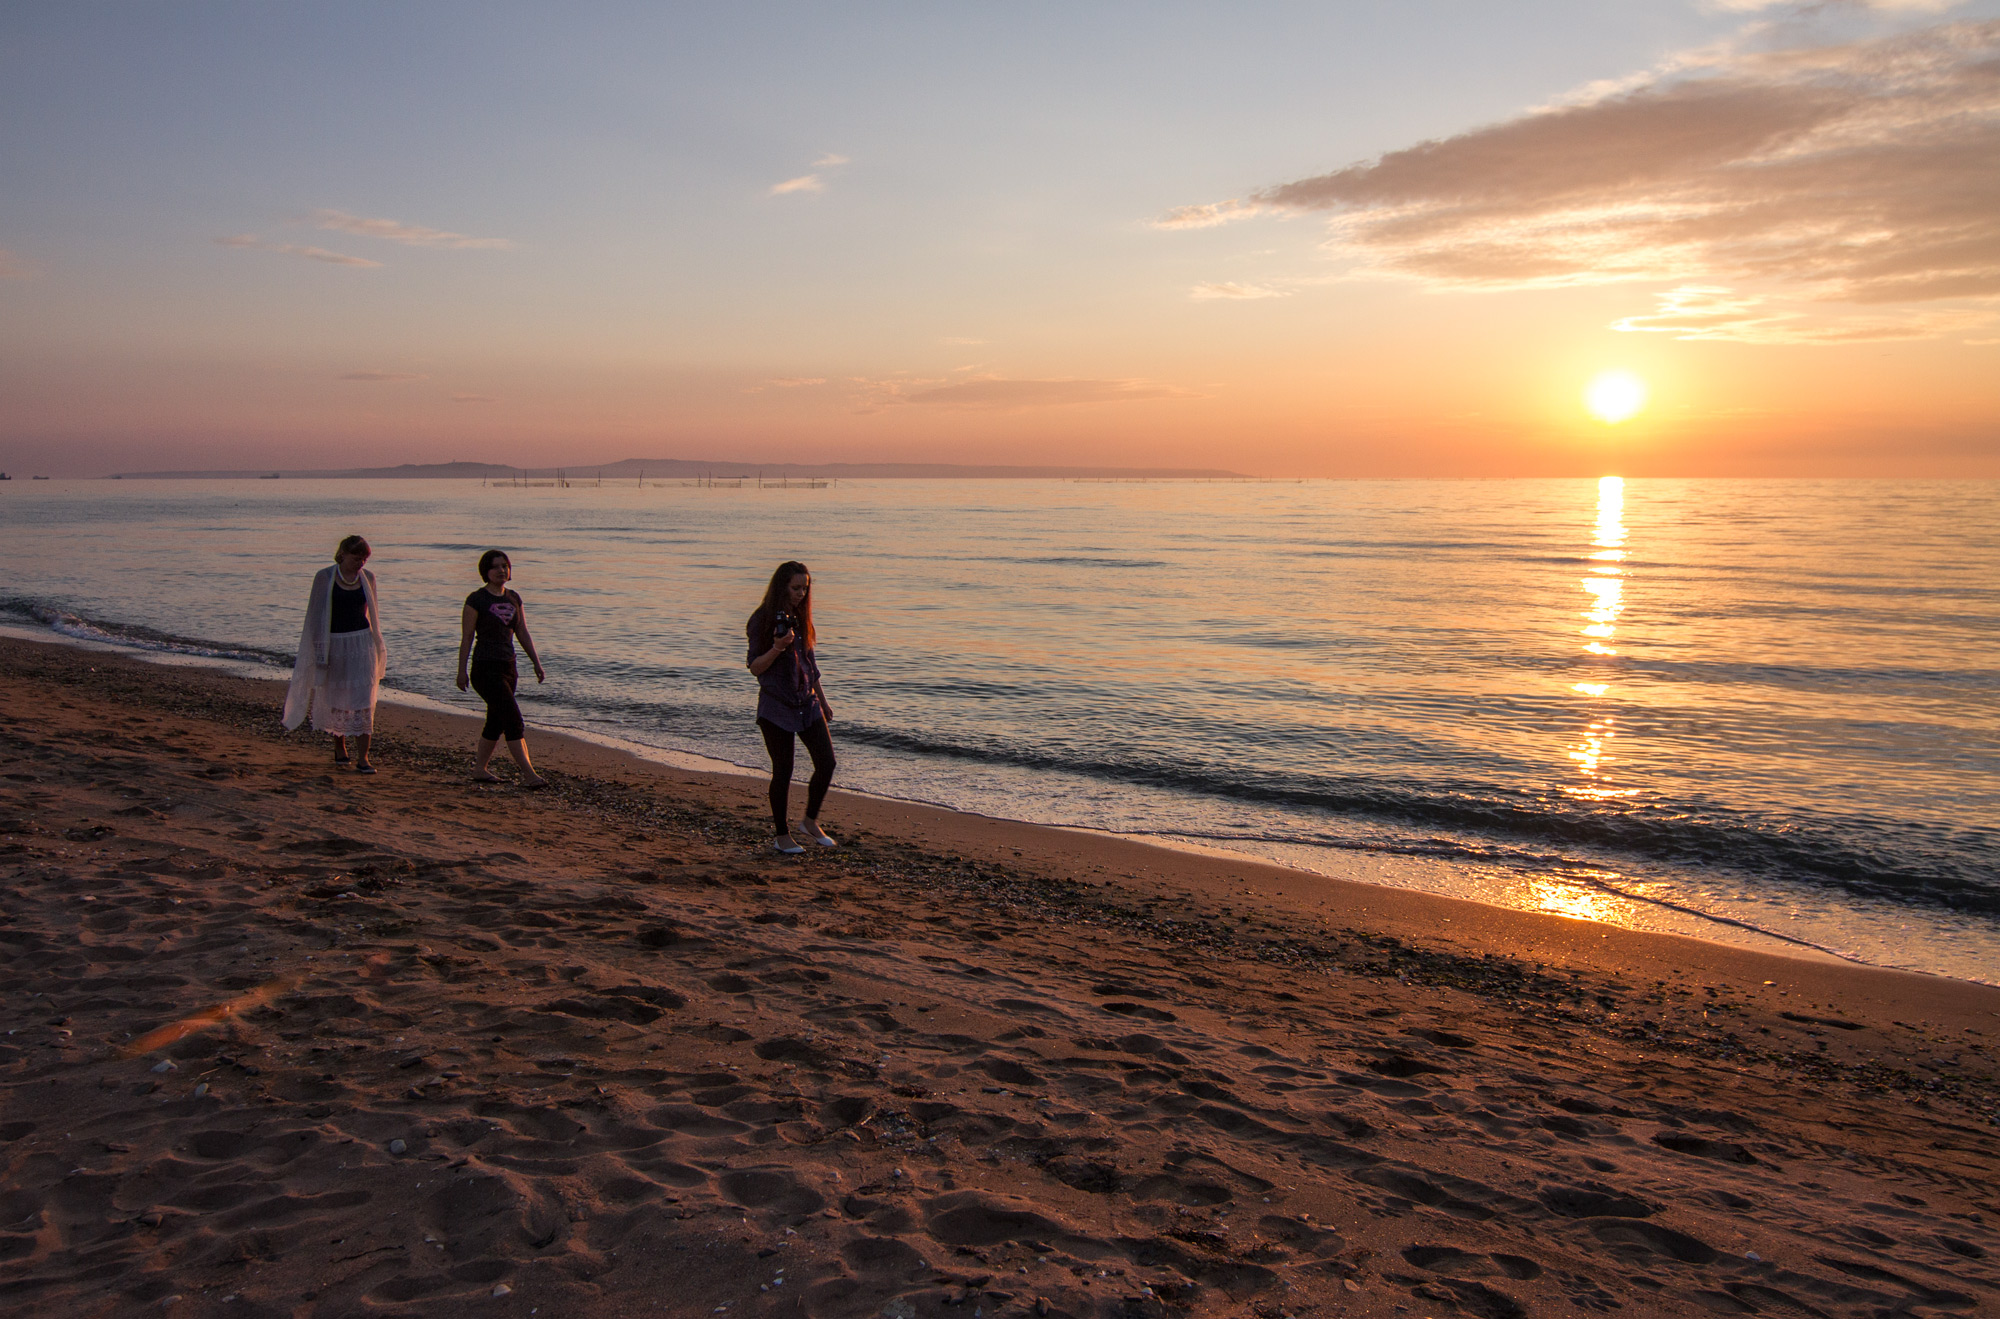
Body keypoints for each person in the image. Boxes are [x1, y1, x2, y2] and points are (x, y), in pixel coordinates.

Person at [746, 560, 837, 853]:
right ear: (781, 586)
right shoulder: (761, 620)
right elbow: (755, 667)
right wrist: (778, 647)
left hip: (806, 702)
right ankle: (782, 836)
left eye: (805, 589)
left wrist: (822, 701)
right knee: (783, 771)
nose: (800, 593)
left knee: (827, 762)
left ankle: (809, 821)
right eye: (795, 588)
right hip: (776, 706)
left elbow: (811, 664)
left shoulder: (801, 616)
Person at [282, 534, 388, 772]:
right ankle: (340, 747)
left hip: (362, 645)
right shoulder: (325, 577)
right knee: (337, 697)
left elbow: (374, 615)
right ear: (342, 554)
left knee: (364, 700)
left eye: (364, 559)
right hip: (335, 644)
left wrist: (377, 646)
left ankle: (364, 758)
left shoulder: (368, 578)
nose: (360, 563)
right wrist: (317, 651)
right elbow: (315, 615)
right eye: (356, 558)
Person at [456, 549, 549, 787]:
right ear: (485, 571)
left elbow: (522, 632)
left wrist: (536, 663)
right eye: (496, 566)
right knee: (513, 720)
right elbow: (467, 637)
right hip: (485, 669)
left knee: (495, 721)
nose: (501, 570)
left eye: (505, 566)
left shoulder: (514, 598)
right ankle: (529, 775)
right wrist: (461, 670)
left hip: (509, 667)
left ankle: (480, 770)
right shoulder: (476, 600)